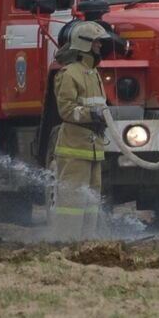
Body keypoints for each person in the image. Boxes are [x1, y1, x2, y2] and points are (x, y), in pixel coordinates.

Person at [52, 21, 112, 239]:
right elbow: (66, 110)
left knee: (91, 203)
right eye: (97, 42)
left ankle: (88, 243)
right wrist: (91, 114)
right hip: (74, 149)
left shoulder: (92, 73)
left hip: (94, 148)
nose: (100, 46)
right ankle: (65, 243)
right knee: (72, 201)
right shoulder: (69, 73)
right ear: (84, 44)